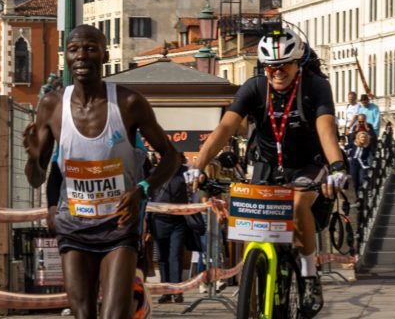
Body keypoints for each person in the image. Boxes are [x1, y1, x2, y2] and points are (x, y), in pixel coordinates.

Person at [23, 25, 179, 319]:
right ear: (65, 57)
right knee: (82, 314)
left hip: (118, 225)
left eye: (91, 48)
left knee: (113, 316)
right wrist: (33, 159)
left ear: (105, 54)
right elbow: (36, 178)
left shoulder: (129, 102)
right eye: (74, 50)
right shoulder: (52, 105)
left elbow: (171, 157)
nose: (82, 56)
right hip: (74, 225)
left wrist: (143, 190)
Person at [191, 27, 347, 319]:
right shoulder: (254, 87)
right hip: (265, 164)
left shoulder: (315, 86)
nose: (277, 72)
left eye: (284, 65)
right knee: (254, 214)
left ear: (297, 62)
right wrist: (197, 165)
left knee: (299, 204)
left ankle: (309, 274)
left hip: (307, 163)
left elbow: (326, 128)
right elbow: (225, 128)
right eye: (271, 66)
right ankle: (258, 269)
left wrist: (337, 166)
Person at [149, 153, 188, 304]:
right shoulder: (155, 173)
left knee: (175, 255)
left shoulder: (184, 173)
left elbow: (199, 176)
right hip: (158, 219)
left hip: (178, 221)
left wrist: (201, 177)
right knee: (162, 257)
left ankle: (177, 291)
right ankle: (166, 292)